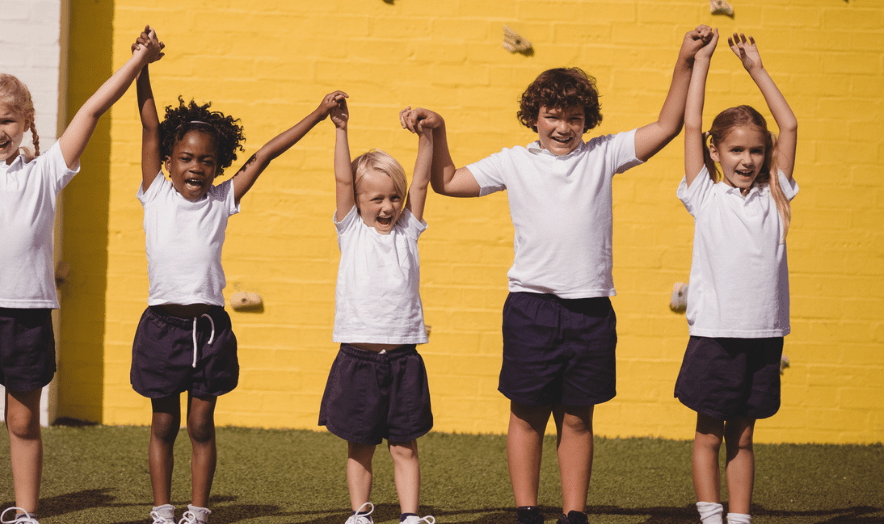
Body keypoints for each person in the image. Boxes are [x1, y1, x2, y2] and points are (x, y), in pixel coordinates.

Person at [401, 26, 712, 524]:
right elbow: (447, 182)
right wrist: (436, 130)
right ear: (534, 118)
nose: (563, 127)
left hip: (590, 310)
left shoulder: (603, 154)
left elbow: (668, 125)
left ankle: (574, 515)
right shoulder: (514, 162)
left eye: (574, 117)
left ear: (587, 120)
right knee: (526, 415)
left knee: (577, 418)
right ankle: (527, 511)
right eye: (552, 116)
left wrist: (685, 59)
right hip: (531, 308)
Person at [0, 0, 163, 524]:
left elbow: (92, 110)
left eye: (8, 120)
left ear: (26, 122)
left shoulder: (47, 171)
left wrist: (138, 61)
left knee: (23, 425)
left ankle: (25, 513)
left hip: (27, 318)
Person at [130, 32, 340, 524]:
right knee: (164, 423)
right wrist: (143, 65)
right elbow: (147, 123)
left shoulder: (223, 199)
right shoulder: (154, 193)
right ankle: (163, 510)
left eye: (206, 160)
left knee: (200, 423)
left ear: (218, 165)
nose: (195, 167)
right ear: (168, 159)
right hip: (162, 328)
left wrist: (317, 112)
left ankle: (197, 510)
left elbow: (266, 153)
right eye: (185, 158)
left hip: (209, 330)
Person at [676, 31, 797, 524]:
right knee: (708, 433)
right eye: (736, 151)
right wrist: (701, 61)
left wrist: (757, 69)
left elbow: (787, 125)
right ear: (717, 151)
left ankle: (740, 518)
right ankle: (711, 516)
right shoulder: (703, 194)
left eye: (755, 151)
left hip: (763, 336)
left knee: (743, 436)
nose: (747, 160)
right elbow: (689, 124)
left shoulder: (777, 192)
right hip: (714, 337)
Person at [318, 93, 437, 524]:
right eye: (377, 199)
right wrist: (341, 130)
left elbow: (422, 184)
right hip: (357, 359)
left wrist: (427, 139)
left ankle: (409, 517)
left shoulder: (407, 230)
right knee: (360, 444)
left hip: (403, 359)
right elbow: (343, 182)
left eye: (394, 197)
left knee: (404, 445)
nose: (387, 206)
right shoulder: (351, 230)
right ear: (361, 202)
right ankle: (361, 514)